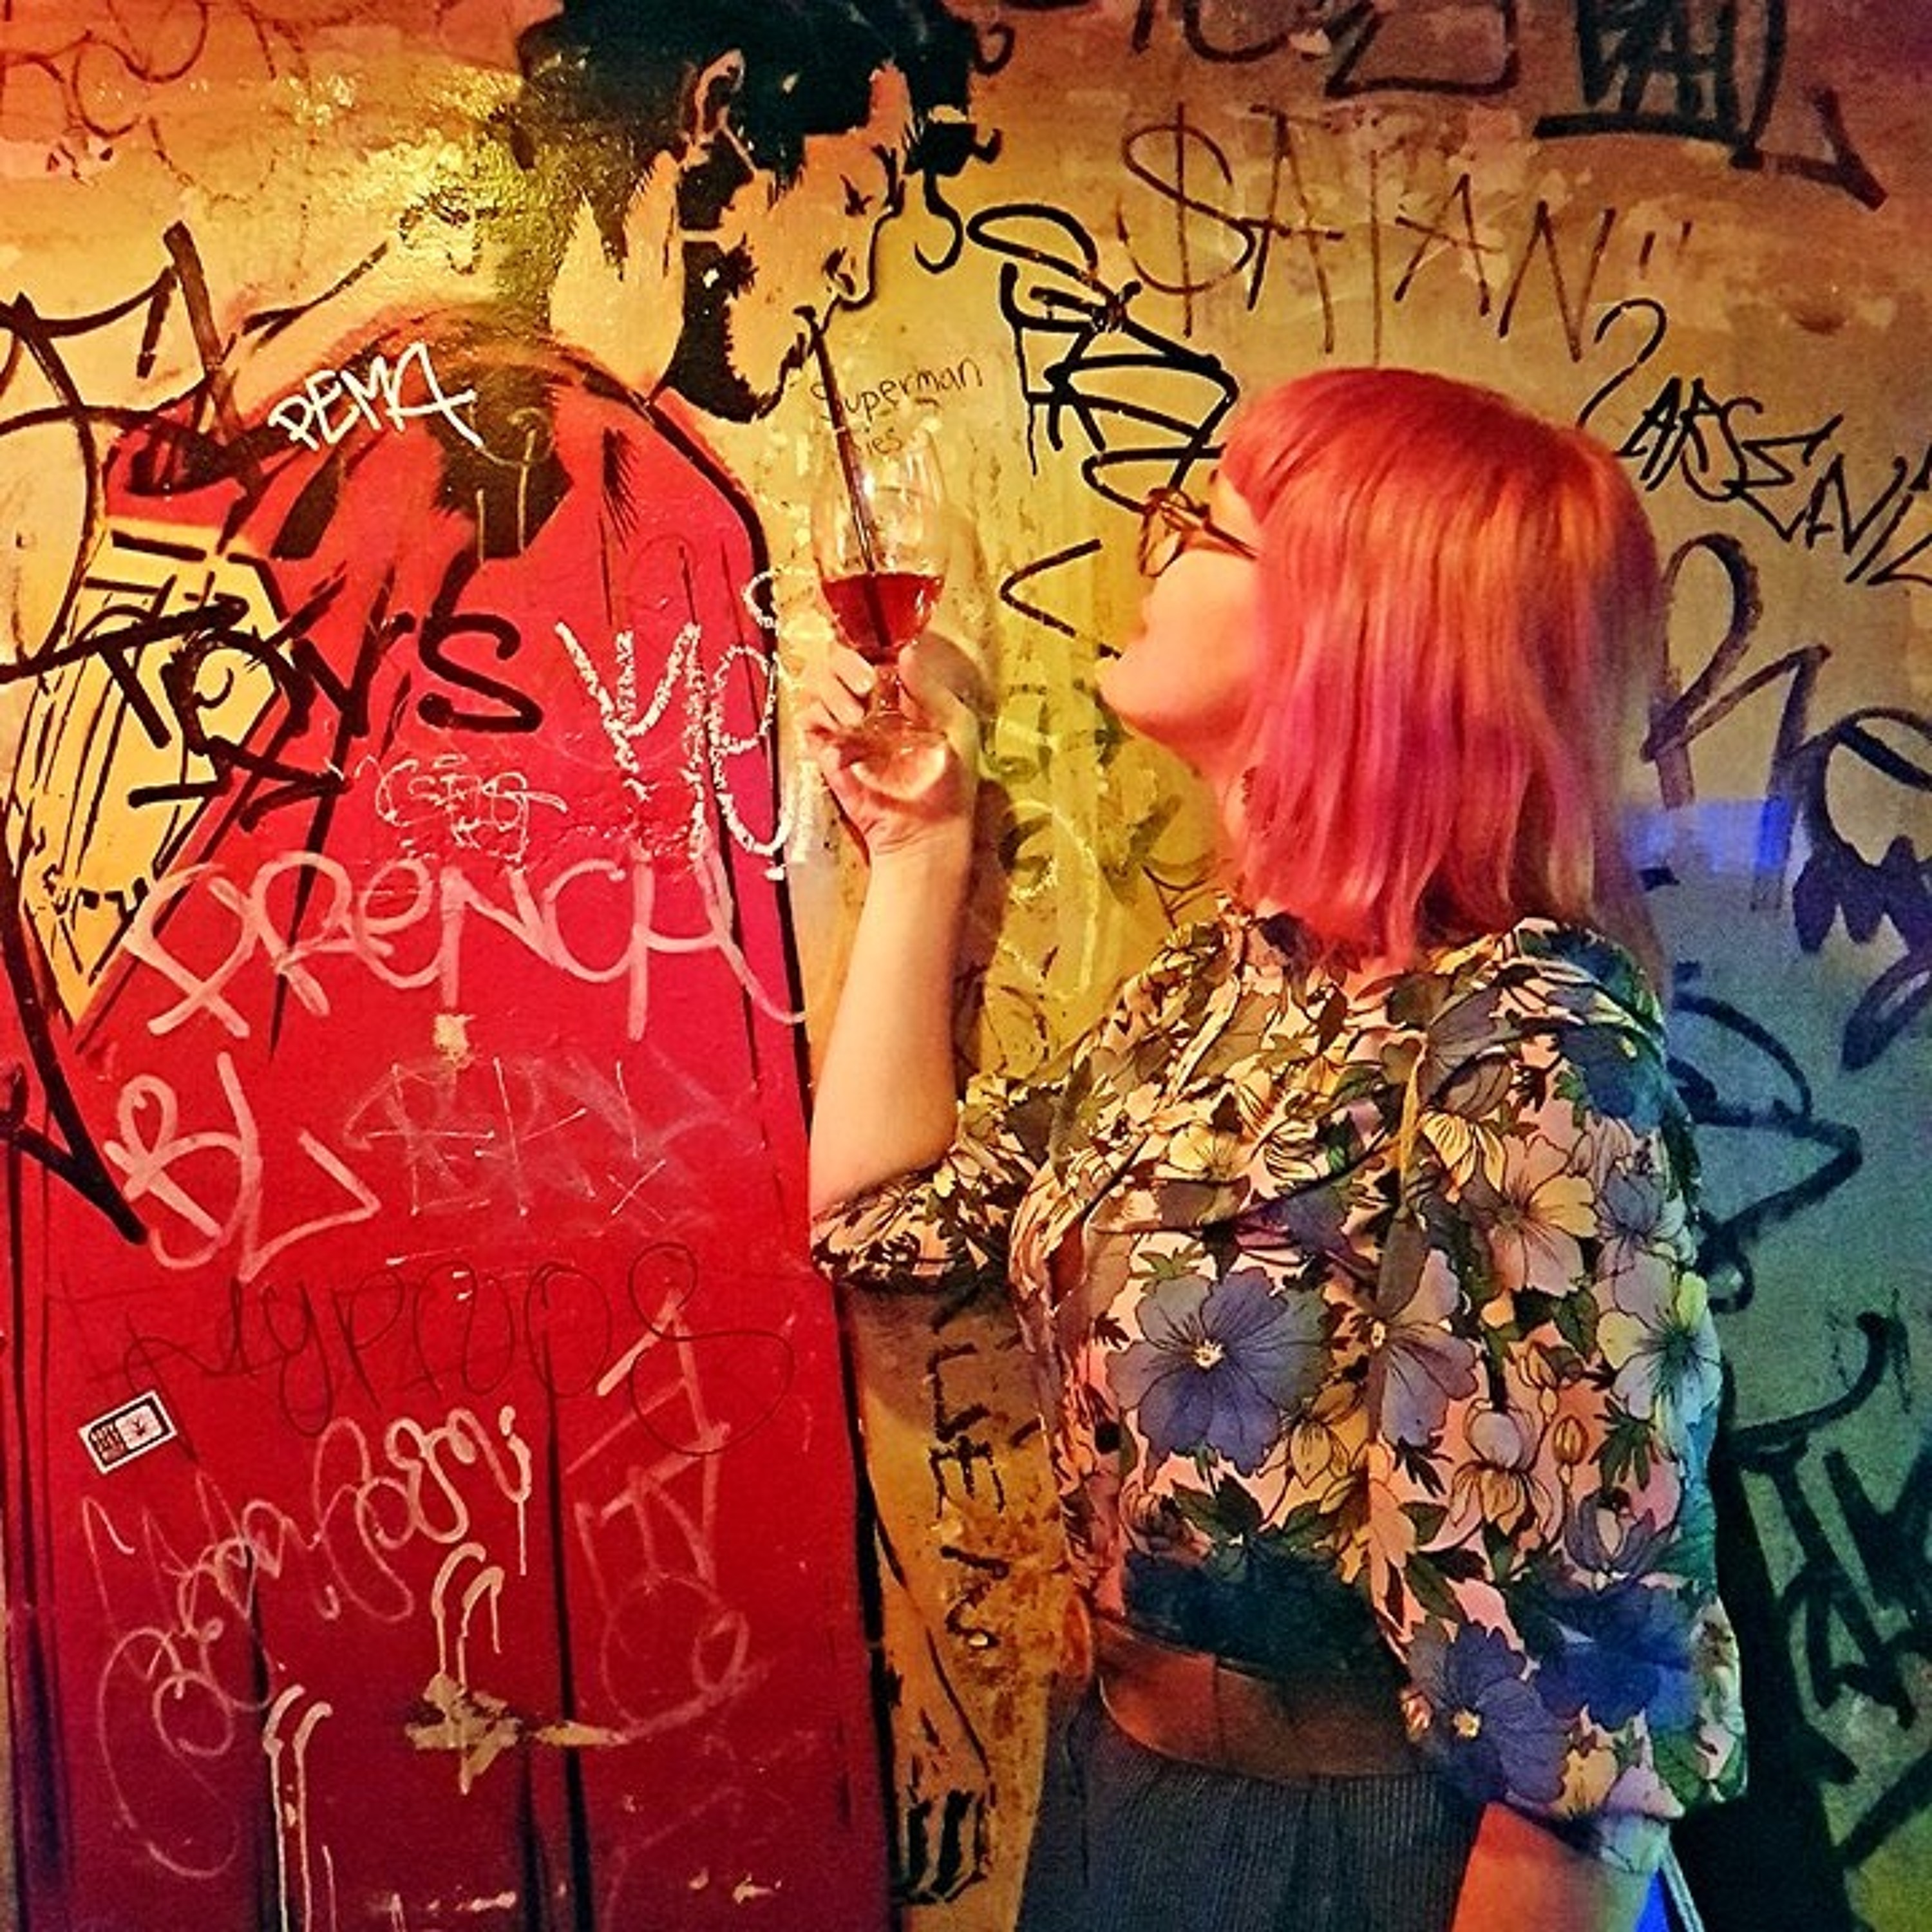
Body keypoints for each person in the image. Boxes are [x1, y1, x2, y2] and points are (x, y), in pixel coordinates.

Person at [0, 4, 986, 1927]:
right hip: (501, 1523)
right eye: (858, 197)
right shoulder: (620, 505)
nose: (854, 274)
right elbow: (702, 1193)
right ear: (721, 129)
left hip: (184, 1481)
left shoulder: (270, 450)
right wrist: (844, 1642)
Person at [804, 366, 1748, 1932]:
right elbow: (882, 1217)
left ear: (1346, 628)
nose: (1150, 545)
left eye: (1202, 522)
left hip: (1369, 1852)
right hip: (1134, 1802)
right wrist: (919, 853)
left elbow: (1580, 1722)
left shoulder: (1523, 1030)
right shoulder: (1221, 988)